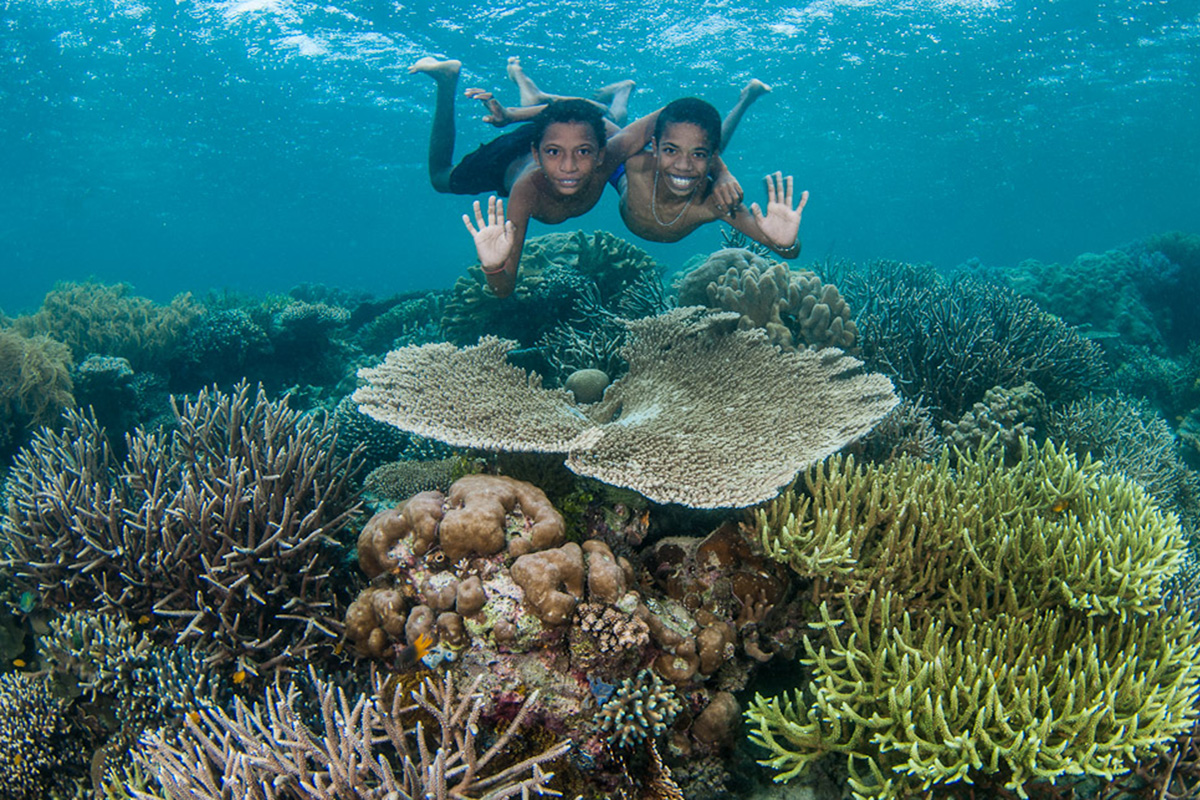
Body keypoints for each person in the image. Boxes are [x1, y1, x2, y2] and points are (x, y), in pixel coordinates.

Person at [411, 57, 742, 298]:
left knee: (609, 123)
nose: (569, 169)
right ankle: (447, 82)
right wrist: (494, 266)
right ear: (540, 154)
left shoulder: (607, 153)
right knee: (441, 178)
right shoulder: (528, 191)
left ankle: (543, 96)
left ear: (598, 153)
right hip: (510, 157)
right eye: (554, 156)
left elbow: (681, 120)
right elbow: (503, 288)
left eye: (586, 153)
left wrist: (721, 171)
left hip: (565, 134)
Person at [476, 64, 804, 258]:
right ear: (656, 146)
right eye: (671, 151)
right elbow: (587, 118)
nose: (684, 165)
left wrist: (785, 243)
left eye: (702, 157)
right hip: (621, 176)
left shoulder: (714, 201)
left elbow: (785, 247)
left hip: (642, 167)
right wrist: (512, 116)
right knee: (603, 119)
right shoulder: (636, 161)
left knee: (633, 123)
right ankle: (567, 95)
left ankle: (743, 98)